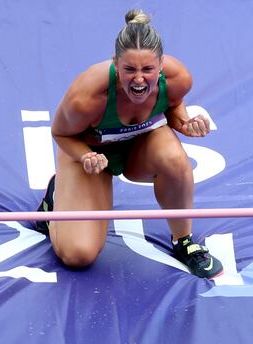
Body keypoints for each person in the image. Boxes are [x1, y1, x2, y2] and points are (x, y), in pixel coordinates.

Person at [35, 9, 223, 279]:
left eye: (148, 70)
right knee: (78, 254)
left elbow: (173, 106)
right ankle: (58, 195)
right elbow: (61, 134)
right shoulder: (87, 96)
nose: (138, 79)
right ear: (115, 63)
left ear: (161, 66)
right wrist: (86, 157)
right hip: (92, 156)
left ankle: (184, 241)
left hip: (140, 148)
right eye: (129, 70)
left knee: (174, 158)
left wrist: (185, 123)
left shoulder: (178, 79)